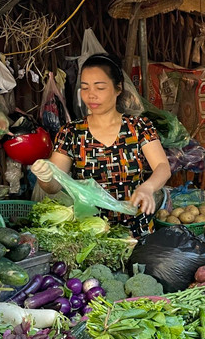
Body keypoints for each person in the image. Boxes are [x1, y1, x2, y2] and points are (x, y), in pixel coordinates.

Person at [31, 53, 171, 237]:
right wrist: (45, 176)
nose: (91, 95)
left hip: (137, 232)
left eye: (100, 87)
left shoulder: (138, 127)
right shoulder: (71, 132)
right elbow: (54, 187)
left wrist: (148, 187)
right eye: (85, 88)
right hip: (91, 235)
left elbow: (162, 167)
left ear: (118, 88)